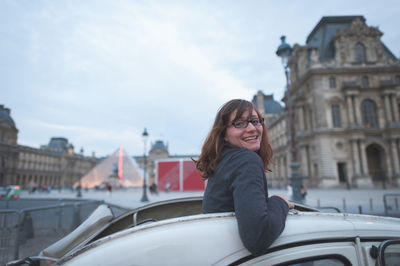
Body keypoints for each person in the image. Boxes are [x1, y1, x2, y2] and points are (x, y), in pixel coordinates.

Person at [195, 99, 294, 256]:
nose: (252, 128)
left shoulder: (225, 160)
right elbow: (258, 238)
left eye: (255, 121)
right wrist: (280, 202)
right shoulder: (246, 160)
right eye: (239, 124)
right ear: (224, 134)